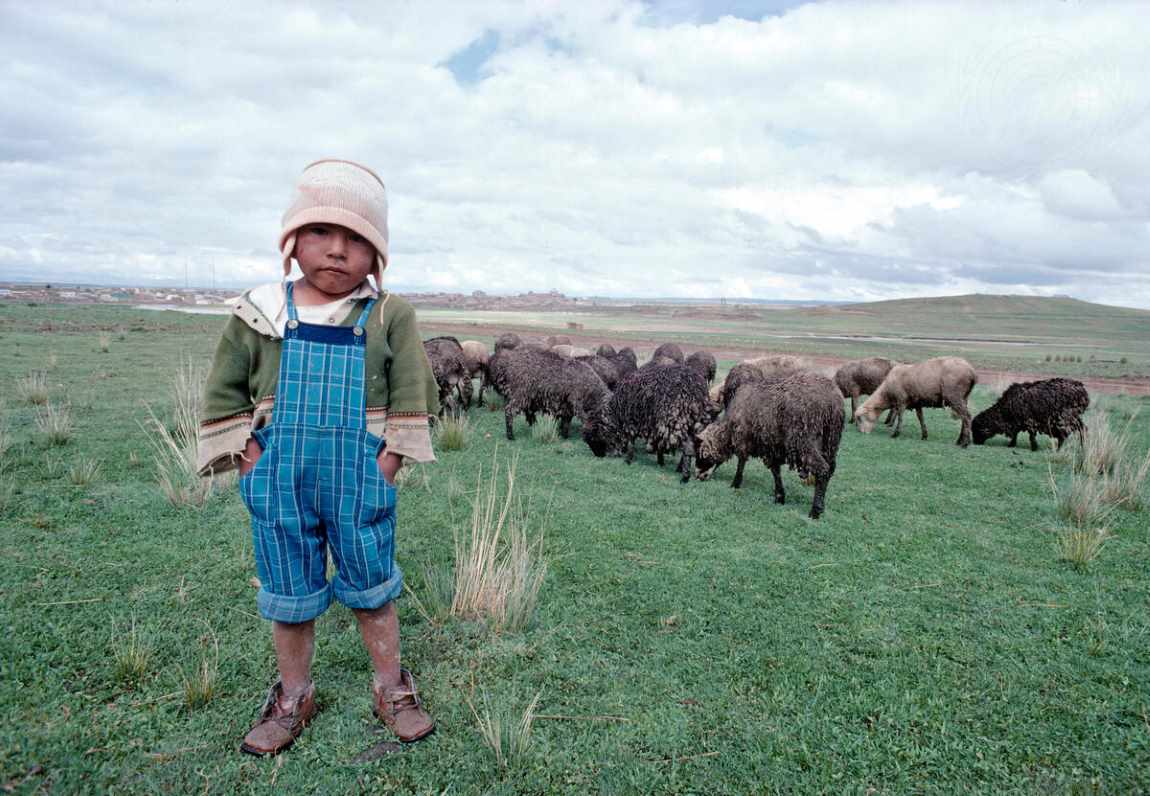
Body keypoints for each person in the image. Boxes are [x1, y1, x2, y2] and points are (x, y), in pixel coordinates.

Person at [196, 159, 440, 756]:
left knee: (373, 586)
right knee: (288, 590)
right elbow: (224, 387)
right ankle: (293, 696)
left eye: (358, 240)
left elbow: (413, 390)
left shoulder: (387, 316)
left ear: (377, 256)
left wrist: (387, 465)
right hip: (279, 477)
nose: (337, 251)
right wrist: (250, 457)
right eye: (320, 233)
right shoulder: (261, 311)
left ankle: (391, 688)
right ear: (291, 241)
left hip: (359, 476)